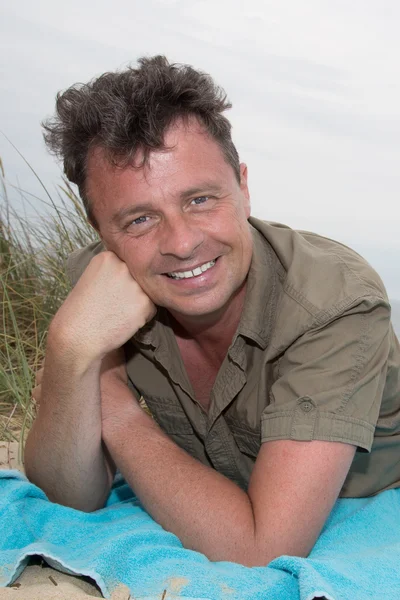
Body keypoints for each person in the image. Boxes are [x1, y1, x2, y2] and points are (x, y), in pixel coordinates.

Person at [25, 55, 400, 567]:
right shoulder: (102, 291)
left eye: (200, 199)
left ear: (243, 188)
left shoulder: (336, 302)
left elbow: (261, 550)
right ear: (100, 232)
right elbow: (70, 497)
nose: (181, 243)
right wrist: (68, 350)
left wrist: (112, 408)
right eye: (138, 220)